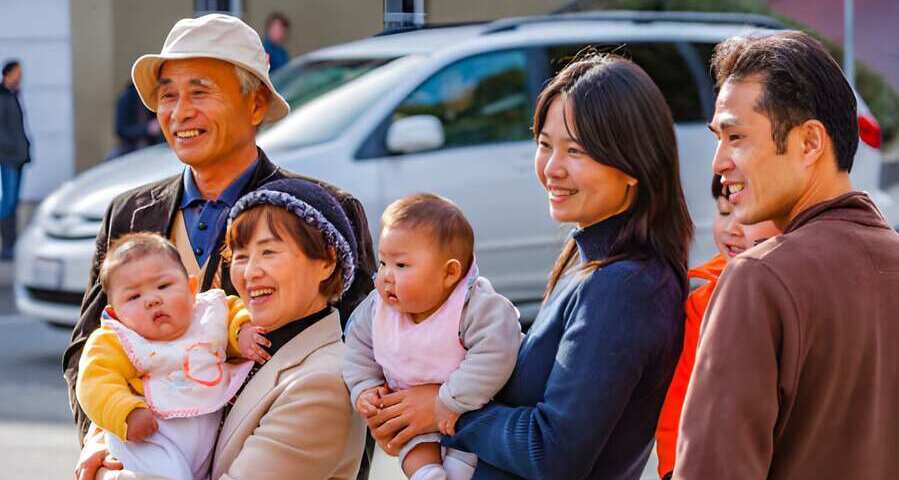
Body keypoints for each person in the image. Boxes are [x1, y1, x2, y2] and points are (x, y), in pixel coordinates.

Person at [63, 12, 376, 458]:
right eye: (167, 96)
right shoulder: (130, 213)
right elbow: (88, 348)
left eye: (199, 92)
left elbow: (362, 352)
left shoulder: (322, 213)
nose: (179, 112)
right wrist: (106, 445)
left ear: (255, 106)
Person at [366, 53, 693, 479]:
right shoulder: (592, 257)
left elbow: (553, 452)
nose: (552, 169)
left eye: (576, 150)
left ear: (633, 165)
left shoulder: (626, 287)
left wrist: (447, 413)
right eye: (545, 144)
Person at [674, 31, 899, 479]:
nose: (718, 162)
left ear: (810, 143)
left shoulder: (758, 279)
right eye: (718, 138)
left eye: (736, 136)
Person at [77, 179, 367, 480]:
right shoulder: (236, 338)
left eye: (268, 252)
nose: (250, 272)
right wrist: (103, 443)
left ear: (327, 262)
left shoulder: (322, 383)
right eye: (241, 256)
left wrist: (111, 476)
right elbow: (143, 385)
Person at [343, 193, 522, 480]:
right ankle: (427, 474)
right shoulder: (376, 309)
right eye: (382, 262)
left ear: (449, 273)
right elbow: (357, 349)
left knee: (467, 451)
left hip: (469, 409)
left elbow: (496, 353)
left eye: (401, 265)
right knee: (412, 447)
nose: (387, 276)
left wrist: (448, 401)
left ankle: (455, 472)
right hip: (412, 419)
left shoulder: (473, 307)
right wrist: (364, 387)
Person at [76, 233, 266, 479]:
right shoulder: (117, 340)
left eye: (163, 286)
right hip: (150, 439)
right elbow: (94, 382)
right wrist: (126, 413)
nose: (153, 300)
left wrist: (242, 332)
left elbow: (232, 313)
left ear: (191, 288)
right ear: (116, 312)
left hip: (204, 442)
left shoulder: (209, 313)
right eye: (134, 296)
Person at [654, 175, 779, 479]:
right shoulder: (700, 305)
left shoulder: (791, 296)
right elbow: (678, 403)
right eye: (724, 212)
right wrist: (673, 469)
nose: (732, 229)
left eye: (747, 216)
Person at [0, 59, 30, 260]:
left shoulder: (14, 95)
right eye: (17, 73)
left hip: (18, 156)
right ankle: (7, 245)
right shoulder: (2, 97)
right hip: (8, 157)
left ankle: (12, 243)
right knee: (8, 201)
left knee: (15, 201)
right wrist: (9, 148)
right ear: (7, 74)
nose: (20, 76)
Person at [109, 82, 163, 159]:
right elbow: (121, 130)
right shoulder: (126, 98)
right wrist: (147, 129)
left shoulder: (153, 96)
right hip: (130, 149)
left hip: (154, 147)